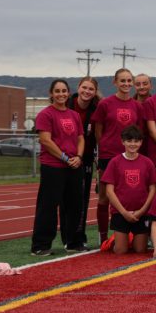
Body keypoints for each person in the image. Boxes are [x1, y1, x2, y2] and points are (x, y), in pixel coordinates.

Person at [31, 80, 86, 256]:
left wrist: (78, 157)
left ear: (69, 93)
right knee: (48, 206)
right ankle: (40, 245)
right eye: (57, 91)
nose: (61, 94)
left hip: (74, 166)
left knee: (74, 205)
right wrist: (65, 157)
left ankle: (73, 242)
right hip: (53, 166)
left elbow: (80, 138)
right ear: (51, 94)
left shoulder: (74, 115)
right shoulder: (45, 114)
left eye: (64, 91)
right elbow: (46, 140)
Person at [91, 68, 142, 244]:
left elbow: (139, 131)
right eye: (122, 81)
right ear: (115, 82)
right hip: (108, 155)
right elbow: (98, 130)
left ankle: (131, 233)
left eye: (129, 81)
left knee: (132, 193)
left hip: (131, 156)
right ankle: (103, 236)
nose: (126, 84)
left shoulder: (137, 105)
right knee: (105, 197)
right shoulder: (105, 104)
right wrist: (103, 148)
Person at [101, 126, 156, 254]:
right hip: (120, 212)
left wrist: (142, 211)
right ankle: (114, 241)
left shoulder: (147, 162)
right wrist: (124, 212)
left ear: (141, 142)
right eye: (129, 141)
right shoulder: (115, 162)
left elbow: (152, 189)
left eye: (136, 141)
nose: (133, 144)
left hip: (141, 213)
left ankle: (130, 238)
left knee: (140, 250)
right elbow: (109, 191)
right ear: (123, 142)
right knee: (121, 251)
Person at [66, 76, 101, 251]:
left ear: (95, 92)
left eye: (91, 89)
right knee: (62, 200)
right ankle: (65, 236)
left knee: (81, 199)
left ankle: (78, 237)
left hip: (84, 159)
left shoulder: (97, 109)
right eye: (84, 88)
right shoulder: (66, 104)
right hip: (62, 158)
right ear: (78, 87)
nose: (87, 91)